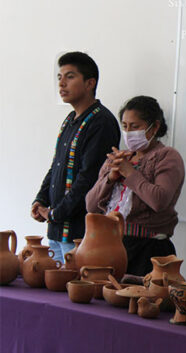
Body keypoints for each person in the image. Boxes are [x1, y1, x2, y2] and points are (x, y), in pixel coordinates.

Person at [31, 52, 120, 263]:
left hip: (81, 235)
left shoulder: (101, 122)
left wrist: (55, 213)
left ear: (90, 83)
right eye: (59, 77)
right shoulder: (70, 119)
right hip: (56, 230)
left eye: (70, 77)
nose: (62, 83)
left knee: (72, 291)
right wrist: (40, 200)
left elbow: (89, 178)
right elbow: (56, 168)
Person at [85, 96, 185, 276]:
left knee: (141, 300)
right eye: (125, 126)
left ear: (154, 127)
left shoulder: (167, 156)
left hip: (148, 249)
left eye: (135, 126)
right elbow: (91, 206)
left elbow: (159, 200)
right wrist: (110, 178)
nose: (129, 132)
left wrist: (130, 173)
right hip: (110, 245)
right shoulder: (118, 158)